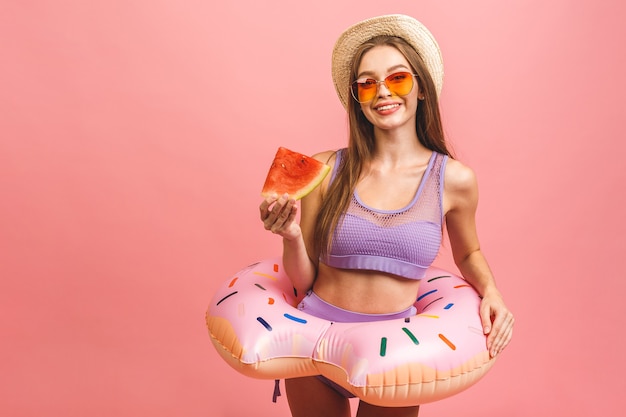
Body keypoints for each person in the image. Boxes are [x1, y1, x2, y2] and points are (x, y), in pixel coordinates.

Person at [259, 14, 514, 417]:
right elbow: (304, 279)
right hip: (313, 342)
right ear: (357, 98)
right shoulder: (325, 170)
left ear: (422, 89)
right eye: (367, 83)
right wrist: (290, 235)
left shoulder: (455, 180)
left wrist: (493, 291)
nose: (382, 92)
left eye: (397, 78)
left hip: (397, 352)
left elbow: (469, 253)